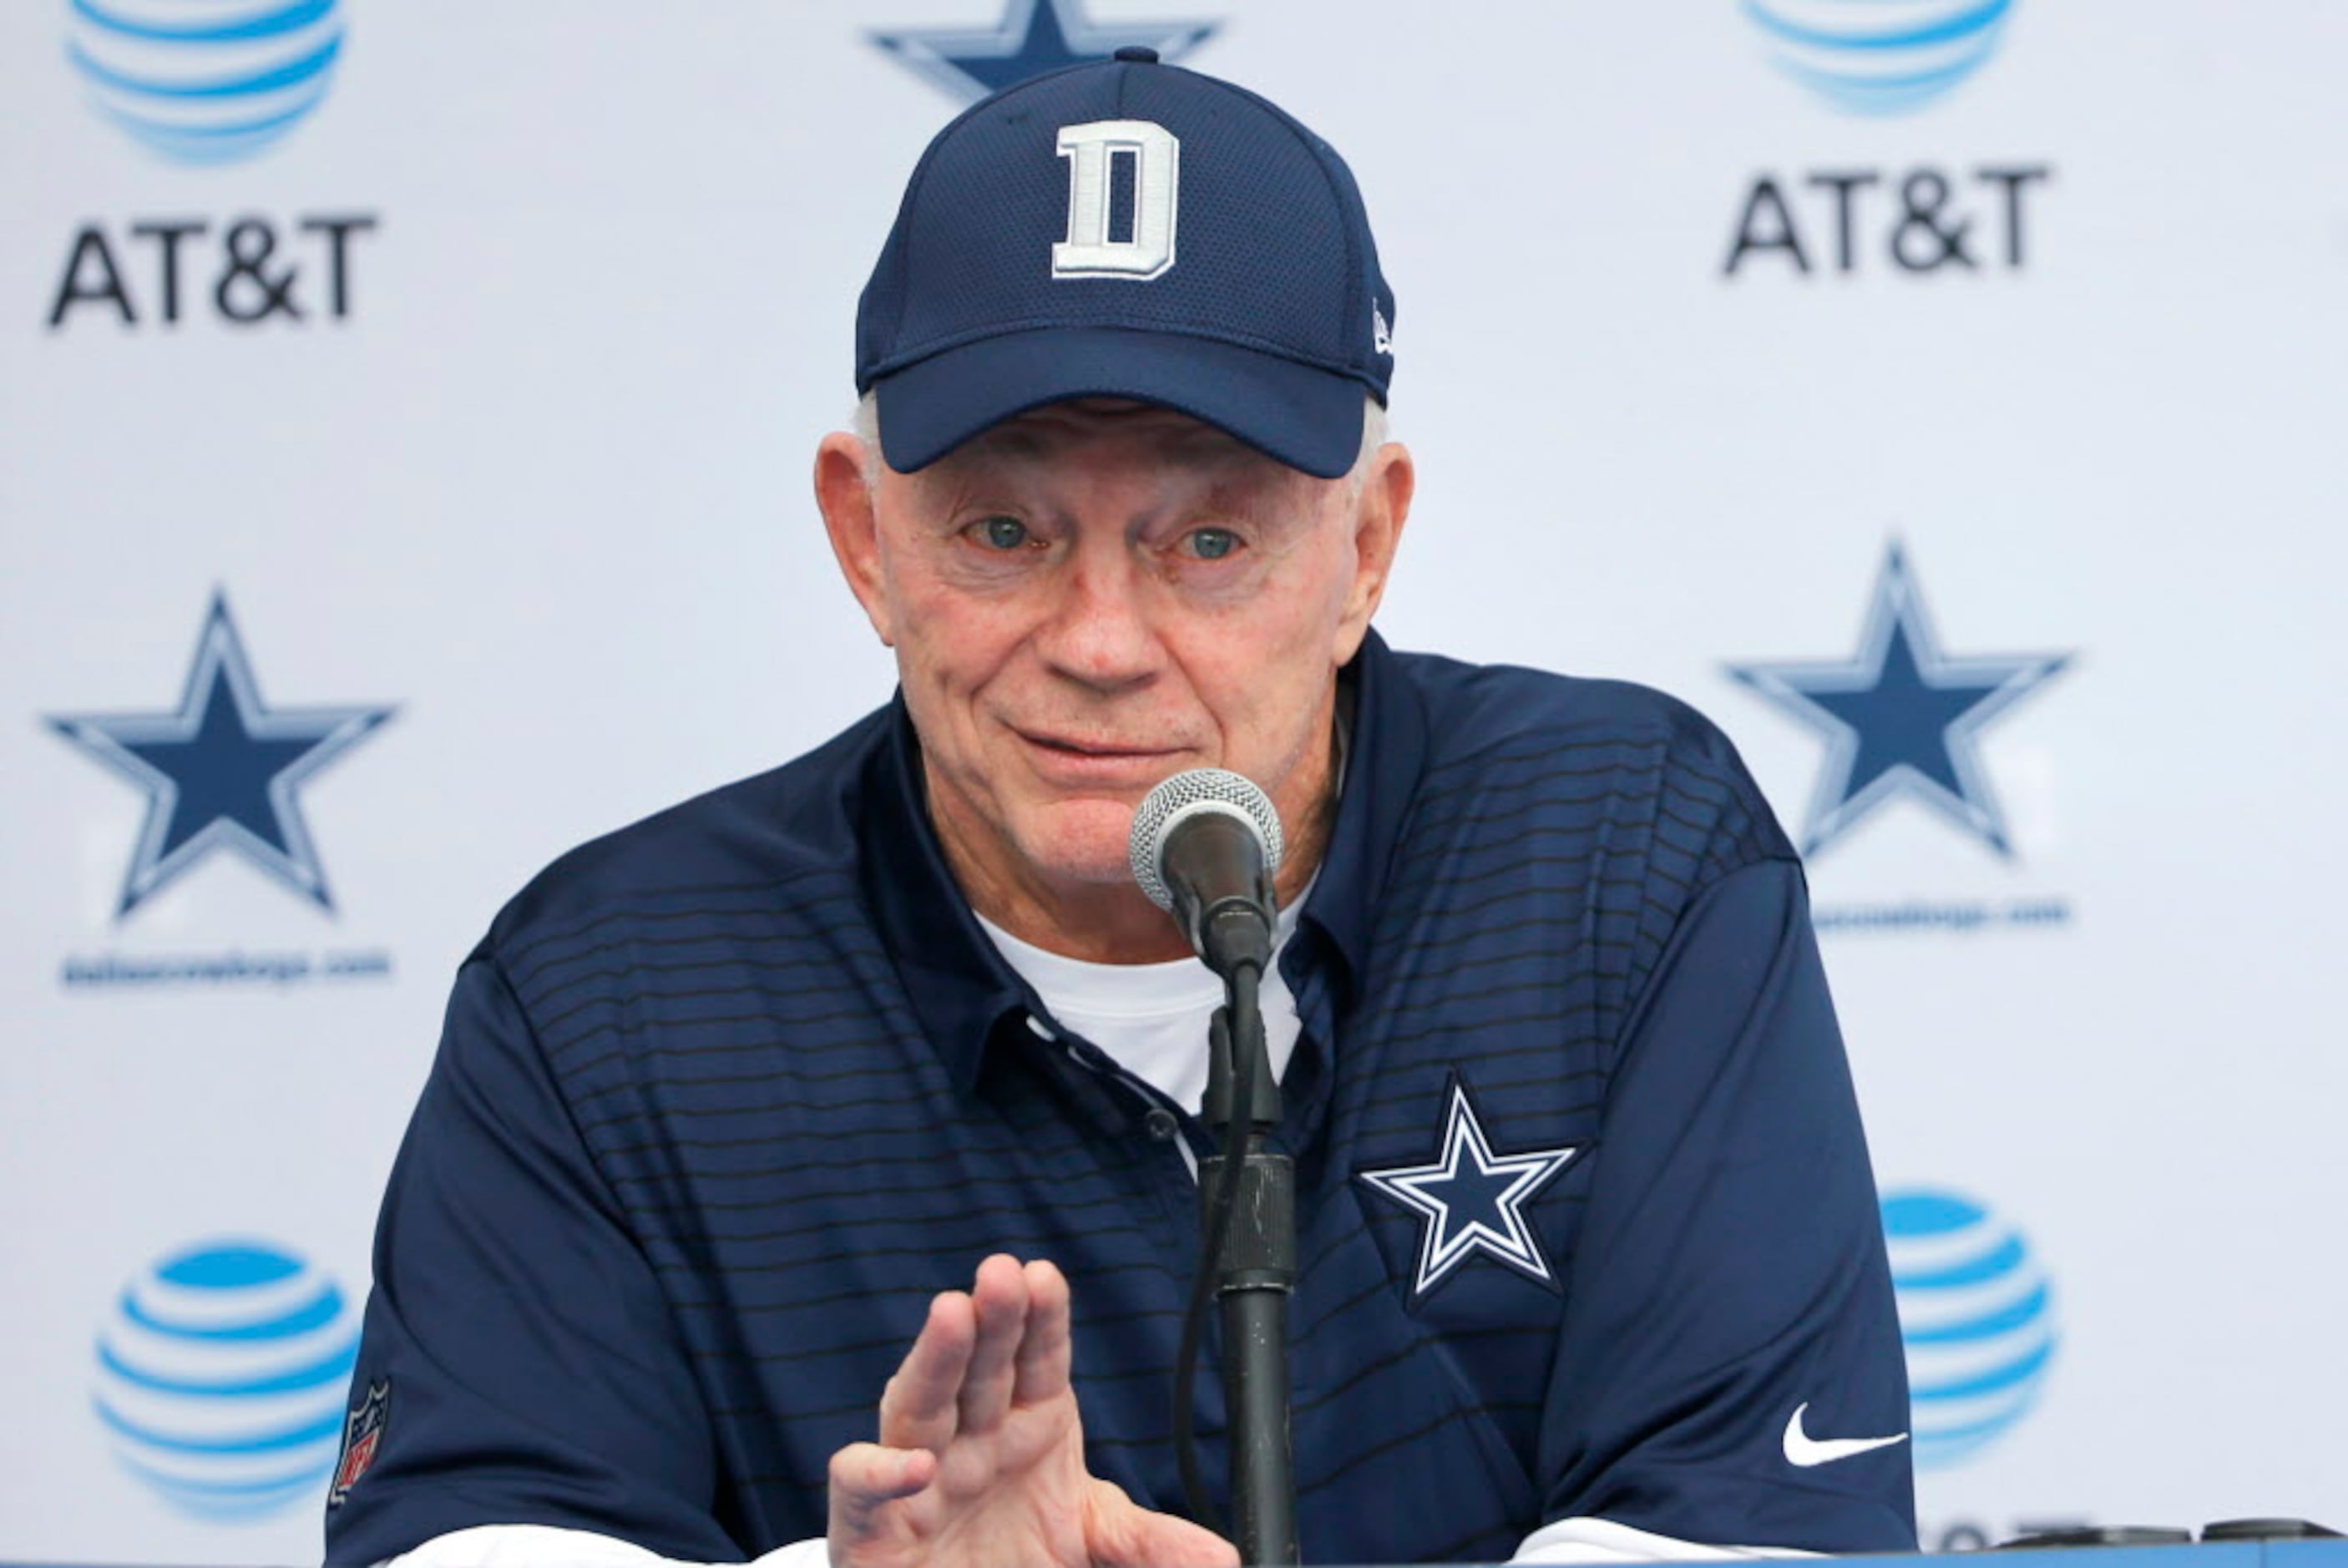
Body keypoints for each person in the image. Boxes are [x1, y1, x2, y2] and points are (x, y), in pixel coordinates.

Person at [323, 49, 1915, 1568]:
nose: (1096, 643)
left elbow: (1750, 1528)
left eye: (1206, 543)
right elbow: (477, 1529)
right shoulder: (613, 992)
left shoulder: (1616, 852)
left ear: (1366, 548)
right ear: (863, 538)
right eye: (1003, 530)